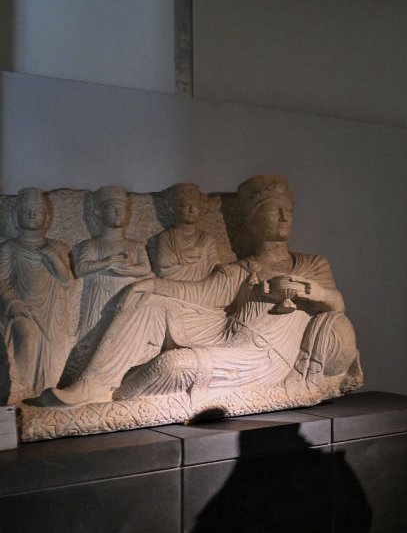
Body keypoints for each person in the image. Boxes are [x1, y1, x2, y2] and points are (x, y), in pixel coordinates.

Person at [44, 174, 359, 408]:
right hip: (225, 331)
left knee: (173, 366)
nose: (284, 216)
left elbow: (337, 306)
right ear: (251, 220)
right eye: (274, 210)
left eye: (287, 209)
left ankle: (120, 402)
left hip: (261, 355)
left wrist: (315, 292)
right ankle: (94, 385)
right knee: (152, 305)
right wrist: (151, 284)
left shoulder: (312, 265)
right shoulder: (241, 269)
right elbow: (200, 293)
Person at [0, 188, 77, 402]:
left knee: (55, 359)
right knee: (27, 336)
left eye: (37, 210)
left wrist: (52, 256)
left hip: (53, 314)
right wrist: (12, 303)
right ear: (16, 217)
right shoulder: (10, 248)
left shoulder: (58, 247)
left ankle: (46, 393)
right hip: (21, 309)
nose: (32, 214)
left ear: (47, 217)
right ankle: (21, 389)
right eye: (26, 210)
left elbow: (67, 280)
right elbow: (1, 280)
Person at [73, 185, 153, 339]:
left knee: (127, 339)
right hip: (100, 298)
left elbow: (145, 268)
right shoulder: (91, 245)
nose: (118, 212)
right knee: (95, 339)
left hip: (127, 298)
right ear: (99, 212)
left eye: (122, 208)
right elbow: (81, 268)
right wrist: (108, 262)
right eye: (112, 207)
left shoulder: (136, 246)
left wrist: (129, 269)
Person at [149, 183, 222, 281]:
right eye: (186, 205)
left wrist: (220, 267)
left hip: (202, 285)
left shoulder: (207, 239)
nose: (191, 210)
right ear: (173, 209)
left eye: (195, 206)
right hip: (173, 284)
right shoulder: (166, 236)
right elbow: (162, 263)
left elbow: (213, 263)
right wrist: (189, 253)